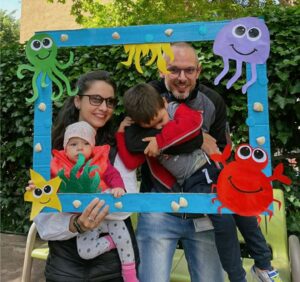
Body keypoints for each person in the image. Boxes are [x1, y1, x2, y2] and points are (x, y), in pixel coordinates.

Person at [123, 42, 280, 282]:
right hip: (159, 211)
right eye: (174, 69)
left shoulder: (212, 100)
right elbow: (134, 140)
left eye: (189, 70)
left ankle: (261, 266)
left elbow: (219, 150)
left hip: (205, 211)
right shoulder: (148, 94)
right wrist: (197, 139)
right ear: (162, 69)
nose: (182, 77)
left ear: (199, 70)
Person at [29, 70, 139, 282]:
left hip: (113, 268)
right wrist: (76, 223)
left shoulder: (117, 149)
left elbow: (125, 206)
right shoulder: (51, 152)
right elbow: (44, 221)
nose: (104, 108)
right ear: (78, 100)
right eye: (96, 99)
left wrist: (77, 204)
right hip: (65, 267)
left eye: (110, 101)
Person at [49, 120, 138, 282]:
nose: (80, 148)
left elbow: (113, 175)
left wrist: (118, 187)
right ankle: (112, 241)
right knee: (85, 251)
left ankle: (130, 273)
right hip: (83, 220)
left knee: (124, 237)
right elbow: (48, 185)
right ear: (65, 148)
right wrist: (39, 188)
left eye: (85, 144)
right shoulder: (58, 166)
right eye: (73, 144)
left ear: (92, 147)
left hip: (106, 216)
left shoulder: (100, 162)